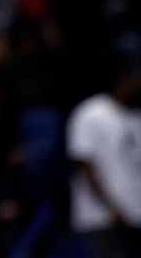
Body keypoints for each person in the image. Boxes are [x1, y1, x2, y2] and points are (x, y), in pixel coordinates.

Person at [66, 56, 141, 258]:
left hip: (133, 217)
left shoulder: (135, 117)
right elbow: (84, 163)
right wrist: (112, 208)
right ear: (124, 78)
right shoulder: (92, 112)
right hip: (100, 220)